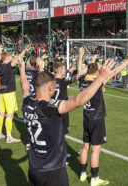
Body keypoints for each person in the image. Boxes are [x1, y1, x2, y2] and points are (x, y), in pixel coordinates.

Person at [20, 55, 116, 186]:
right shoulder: (51, 108)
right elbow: (79, 100)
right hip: (53, 171)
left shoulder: (27, 103)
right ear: (49, 88)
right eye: (54, 86)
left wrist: (21, 68)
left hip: (34, 170)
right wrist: (100, 78)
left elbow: (24, 86)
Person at [79, 51, 128, 186]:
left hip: (86, 116)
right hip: (96, 118)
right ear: (97, 72)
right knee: (96, 150)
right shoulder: (98, 82)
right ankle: (94, 179)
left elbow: (83, 70)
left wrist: (87, 59)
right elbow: (115, 72)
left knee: (85, 146)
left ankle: (82, 174)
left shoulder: (82, 79)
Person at [0, 44, 29, 143]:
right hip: (9, 93)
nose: (11, 57)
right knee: (10, 115)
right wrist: (25, 50)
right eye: (10, 56)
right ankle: (9, 137)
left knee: (1, 113)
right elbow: (18, 58)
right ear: (7, 58)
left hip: (2, 93)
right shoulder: (8, 66)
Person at [23, 56, 44, 150]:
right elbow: (43, 78)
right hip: (36, 99)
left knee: (28, 122)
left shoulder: (26, 72)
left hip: (27, 99)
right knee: (38, 121)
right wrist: (41, 67)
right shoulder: (37, 73)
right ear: (36, 64)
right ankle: (37, 141)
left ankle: (28, 143)